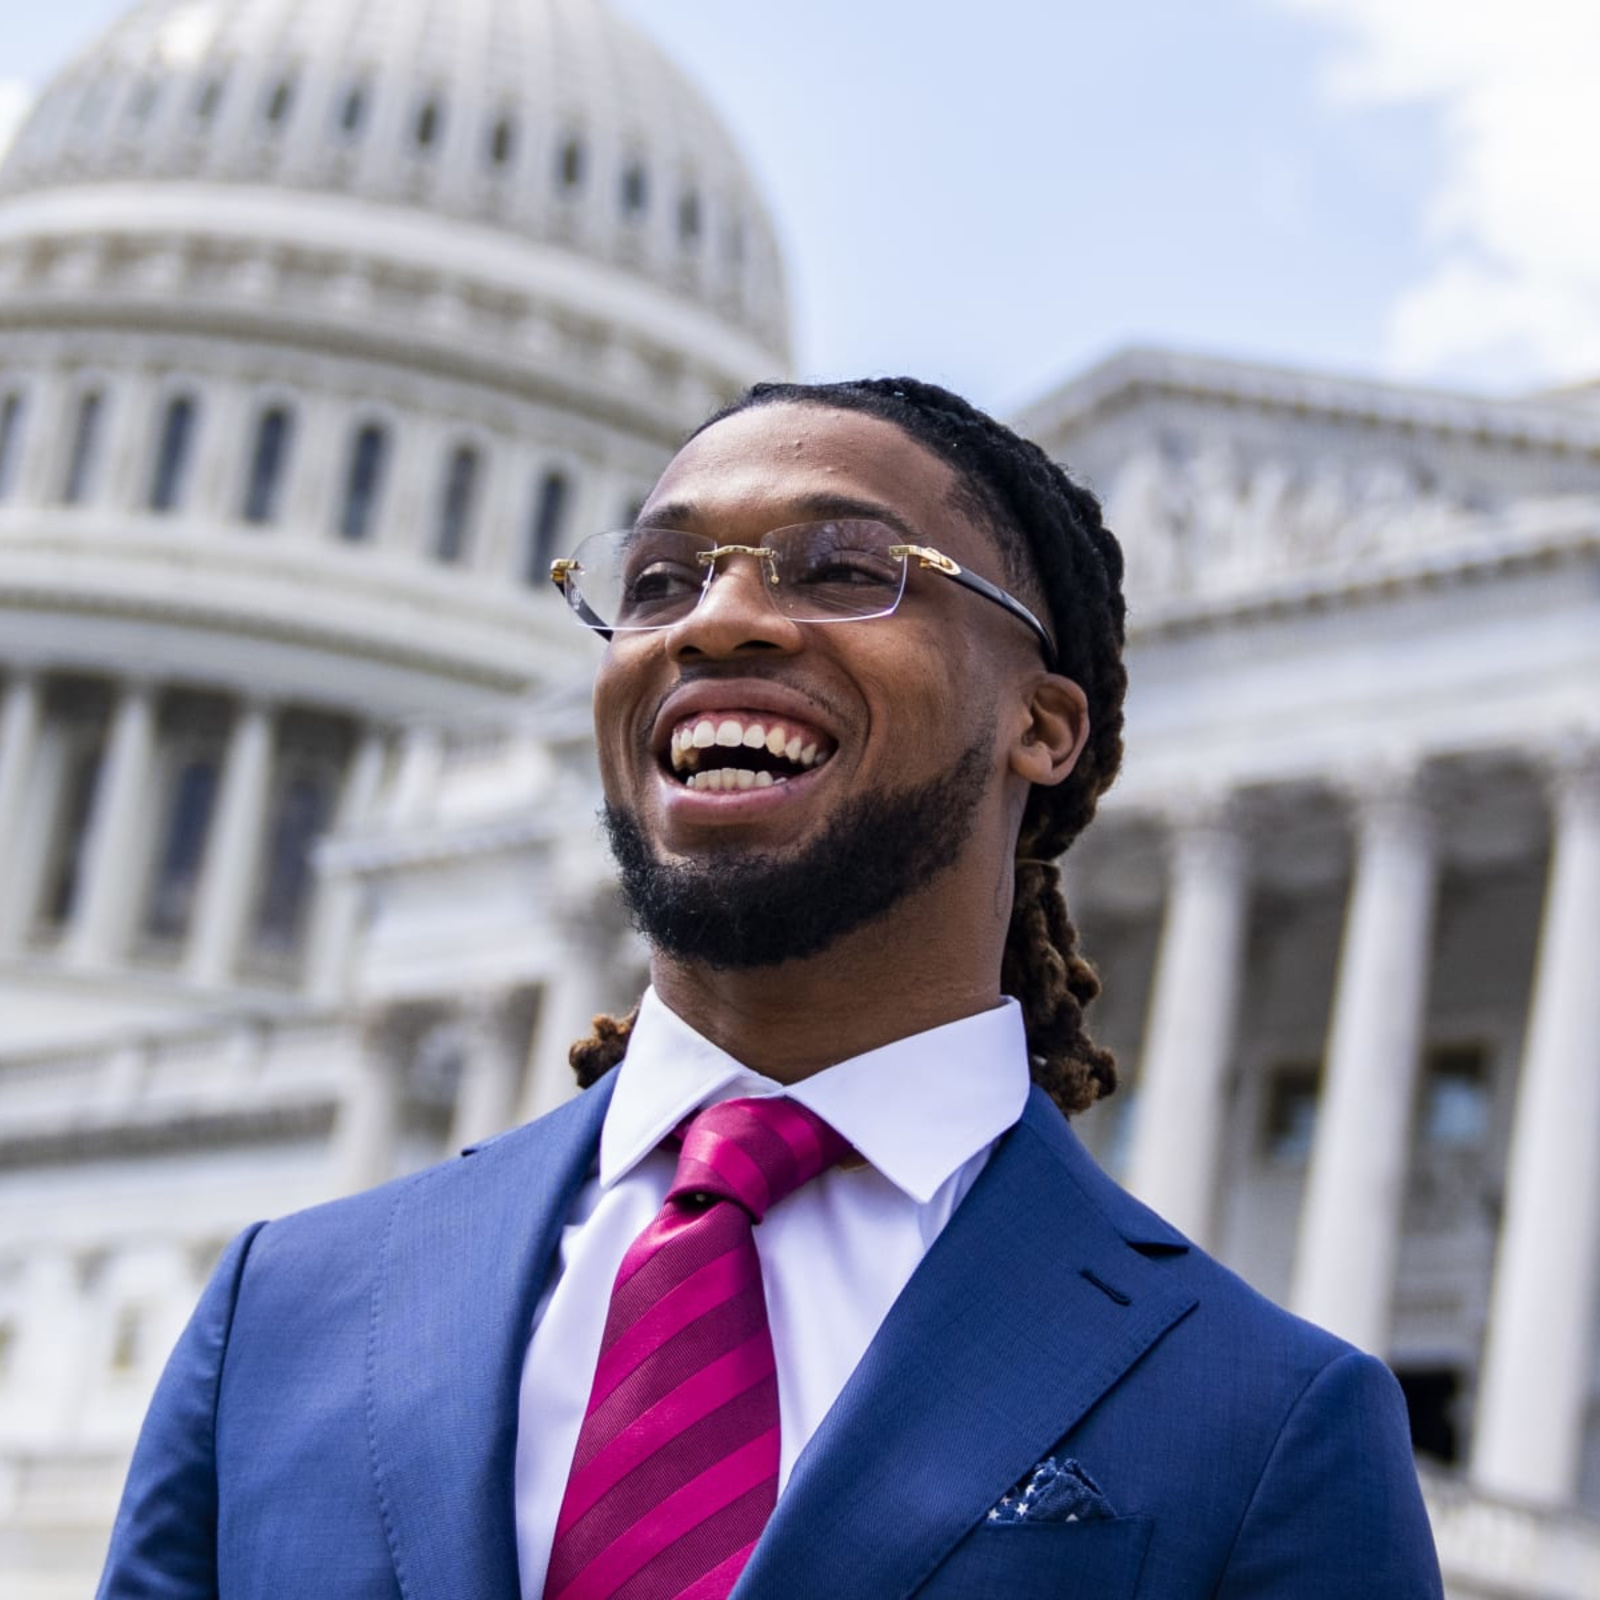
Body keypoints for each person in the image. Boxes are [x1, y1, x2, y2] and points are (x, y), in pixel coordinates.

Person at [99, 378, 1444, 1599]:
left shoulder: (1267, 1418)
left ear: (1043, 724)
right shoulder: (286, 1312)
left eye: (846, 569)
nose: (721, 619)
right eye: (660, 579)